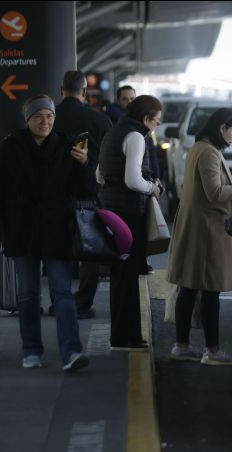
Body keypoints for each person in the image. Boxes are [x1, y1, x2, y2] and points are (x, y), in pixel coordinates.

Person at [0, 94, 92, 372]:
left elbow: (88, 192)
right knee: (28, 295)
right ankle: (31, 350)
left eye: (50, 116)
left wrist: (84, 165)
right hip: (22, 230)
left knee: (62, 292)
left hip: (57, 230)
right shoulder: (10, 148)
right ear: (28, 118)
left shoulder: (68, 147)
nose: (45, 121)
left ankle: (71, 351)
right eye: (39, 116)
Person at [166, 108, 232, 366]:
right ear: (222, 128)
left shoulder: (200, 147)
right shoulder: (208, 152)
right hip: (207, 232)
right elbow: (214, 192)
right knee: (209, 291)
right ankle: (212, 351)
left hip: (198, 228)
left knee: (189, 288)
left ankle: (181, 345)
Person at [98, 95, 162, 350]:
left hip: (112, 209)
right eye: (156, 121)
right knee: (129, 273)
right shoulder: (136, 137)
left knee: (119, 273)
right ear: (145, 118)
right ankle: (128, 337)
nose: (156, 126)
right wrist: (152, 188)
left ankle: (120, 335)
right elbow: (133, 180)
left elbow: (99, 174)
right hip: (129, 213)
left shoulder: (113, 133)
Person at [51, 70, 113, 319]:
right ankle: (83, 303)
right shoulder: (100, 121)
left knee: (59, 249)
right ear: (84, 91)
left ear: (61, 89)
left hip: (56, 194)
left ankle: (61, 302)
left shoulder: (49, 118)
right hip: (89, 191)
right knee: (89, 249)